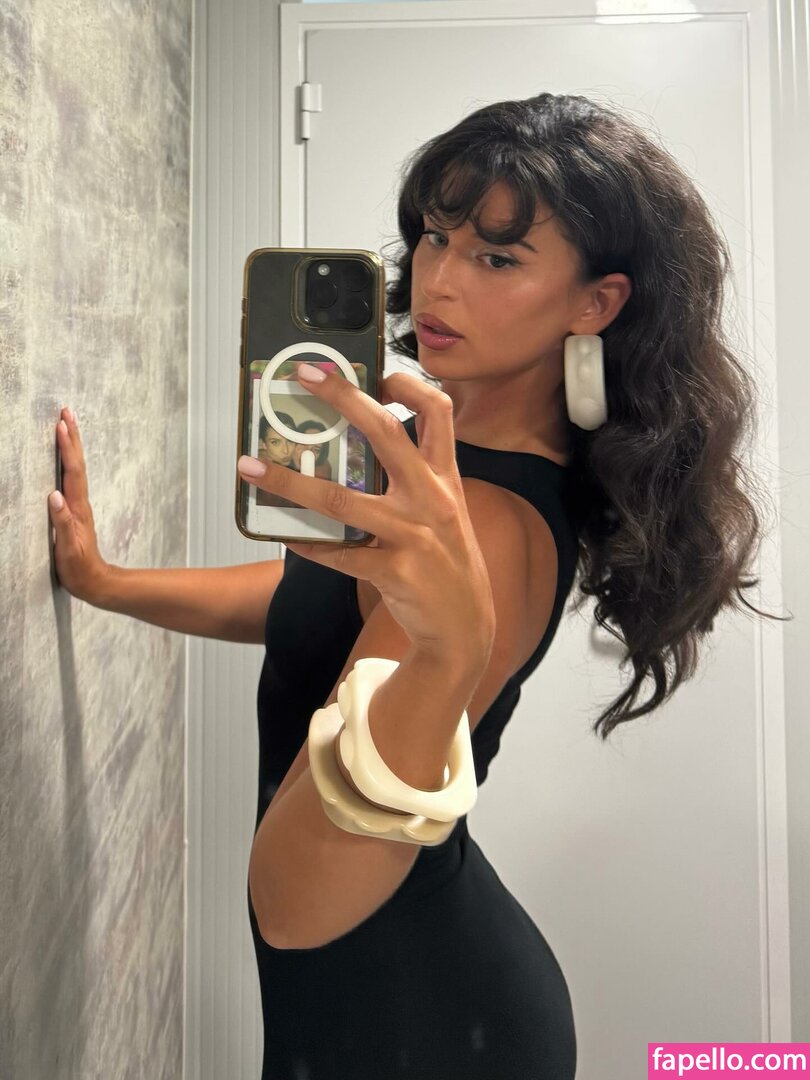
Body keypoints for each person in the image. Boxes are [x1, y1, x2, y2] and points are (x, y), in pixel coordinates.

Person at [47, 93, 785, 1080]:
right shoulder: (454, 468)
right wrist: (108, 583)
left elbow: (294, 901)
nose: (438, 280)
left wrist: (446, 658)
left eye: (497, 258)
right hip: (396, 982)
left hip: (421, 1022)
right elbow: (316, 605)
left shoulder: (489, 522)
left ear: (595, 303)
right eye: (437, 237)